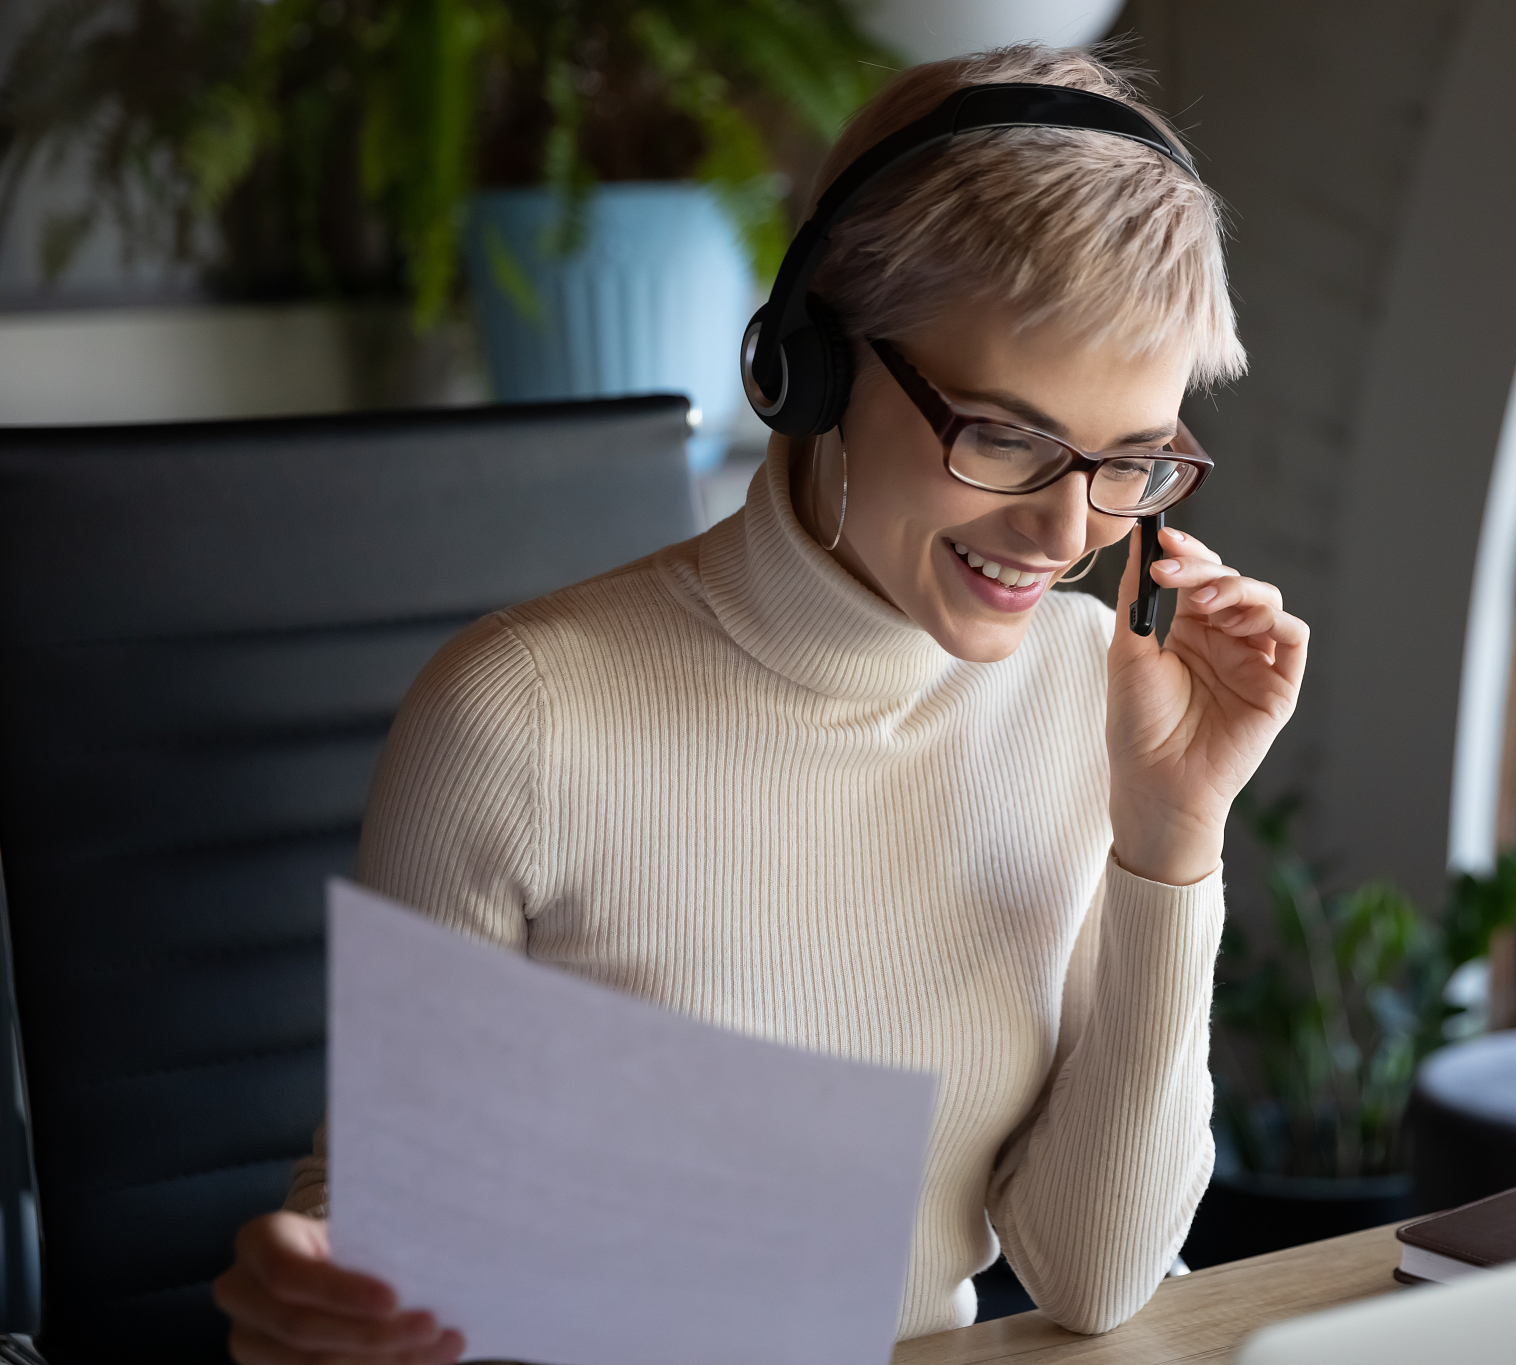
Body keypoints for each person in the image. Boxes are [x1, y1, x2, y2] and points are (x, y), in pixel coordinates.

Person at [213, 42, 1305, 1365]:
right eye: (1004, 435)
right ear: (812, 365)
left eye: (1129, 461)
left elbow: (1094, 1277)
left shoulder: (1088, 687)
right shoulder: (521, 717)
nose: (1066, 528)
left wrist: (1171, 837)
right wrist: (324, 1303)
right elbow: (382, 1229)